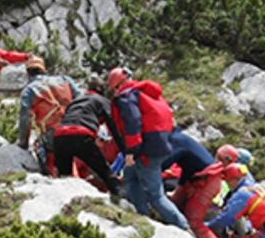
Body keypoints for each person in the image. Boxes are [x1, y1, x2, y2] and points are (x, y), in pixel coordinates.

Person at [106, 66, 188, 229]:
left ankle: (182, 226)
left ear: (117, 86)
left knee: (156, 196)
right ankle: (141, 214)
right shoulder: (149, 94)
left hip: (145, 150)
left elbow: (133, 122)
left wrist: (131, 150)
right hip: (162, 147)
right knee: (130, 175)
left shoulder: (126, 97)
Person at [47, 90, 121, 196]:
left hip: (60, 136)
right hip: (82, 135)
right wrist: (125, 150)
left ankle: (67, 203)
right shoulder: (102, 101)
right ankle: (121, 199)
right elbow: (113, 126)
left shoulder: (74, 102)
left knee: (64, 176)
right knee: (105, 173)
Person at [16, 58, 78, 154]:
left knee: (41, 152)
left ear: (27, 73)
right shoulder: (65, 80)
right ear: (44, 69)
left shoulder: (28, 91)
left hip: (53, 135)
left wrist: (23, 143)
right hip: (76, 127)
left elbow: (25, 118)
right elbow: (82, 99)